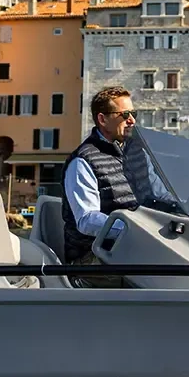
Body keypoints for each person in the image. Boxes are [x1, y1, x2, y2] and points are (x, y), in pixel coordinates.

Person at [60, 86, 138, 271]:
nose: (132, 120)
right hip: (93, 259)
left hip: (130, 250)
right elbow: (87, 220)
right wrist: (135, 231)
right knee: (167, 274)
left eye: (133, 113)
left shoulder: (133, 155)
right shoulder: (83, 161)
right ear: (103, 119)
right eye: (125, 114)